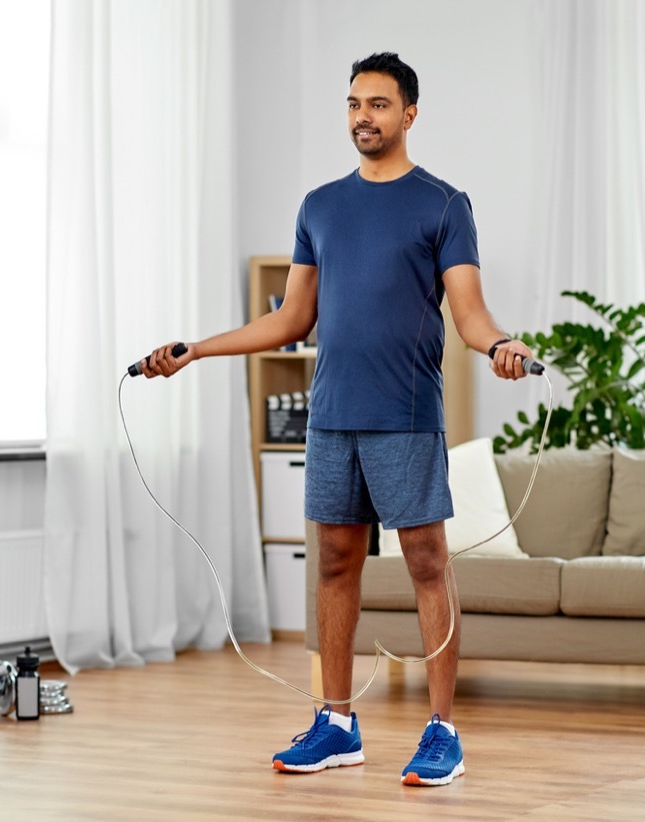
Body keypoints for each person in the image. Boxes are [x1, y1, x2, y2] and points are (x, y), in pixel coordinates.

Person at [142, 51, 534, 787]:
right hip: (332, 419)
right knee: (331, 563)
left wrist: (502, 345)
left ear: (409, 113)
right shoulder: (319, 207)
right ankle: (336, 724)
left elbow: (471, 316)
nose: (364, 116)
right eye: (354, 103)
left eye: (379, 105)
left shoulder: (445, 206)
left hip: (406, 415)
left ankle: (443, 729)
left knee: (425, 563)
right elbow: (291, 319)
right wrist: (196, 350)